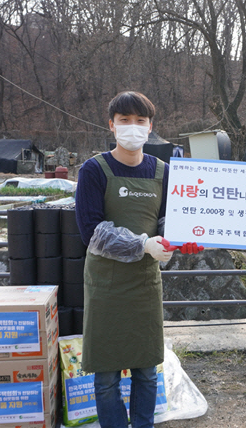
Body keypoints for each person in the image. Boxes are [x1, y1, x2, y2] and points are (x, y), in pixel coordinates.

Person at [75, 91, 201, 428]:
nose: (133, 127)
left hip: (145, 284)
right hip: (106, 284)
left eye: (140, 121)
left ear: (150, 127)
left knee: (146, 370)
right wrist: (144, 244)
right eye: (125, 121)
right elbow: (92, 232)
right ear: (111, 126)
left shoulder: (163, 171)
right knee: (106, 376)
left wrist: (174, 240)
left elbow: (167, 220)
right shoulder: (94, 170)